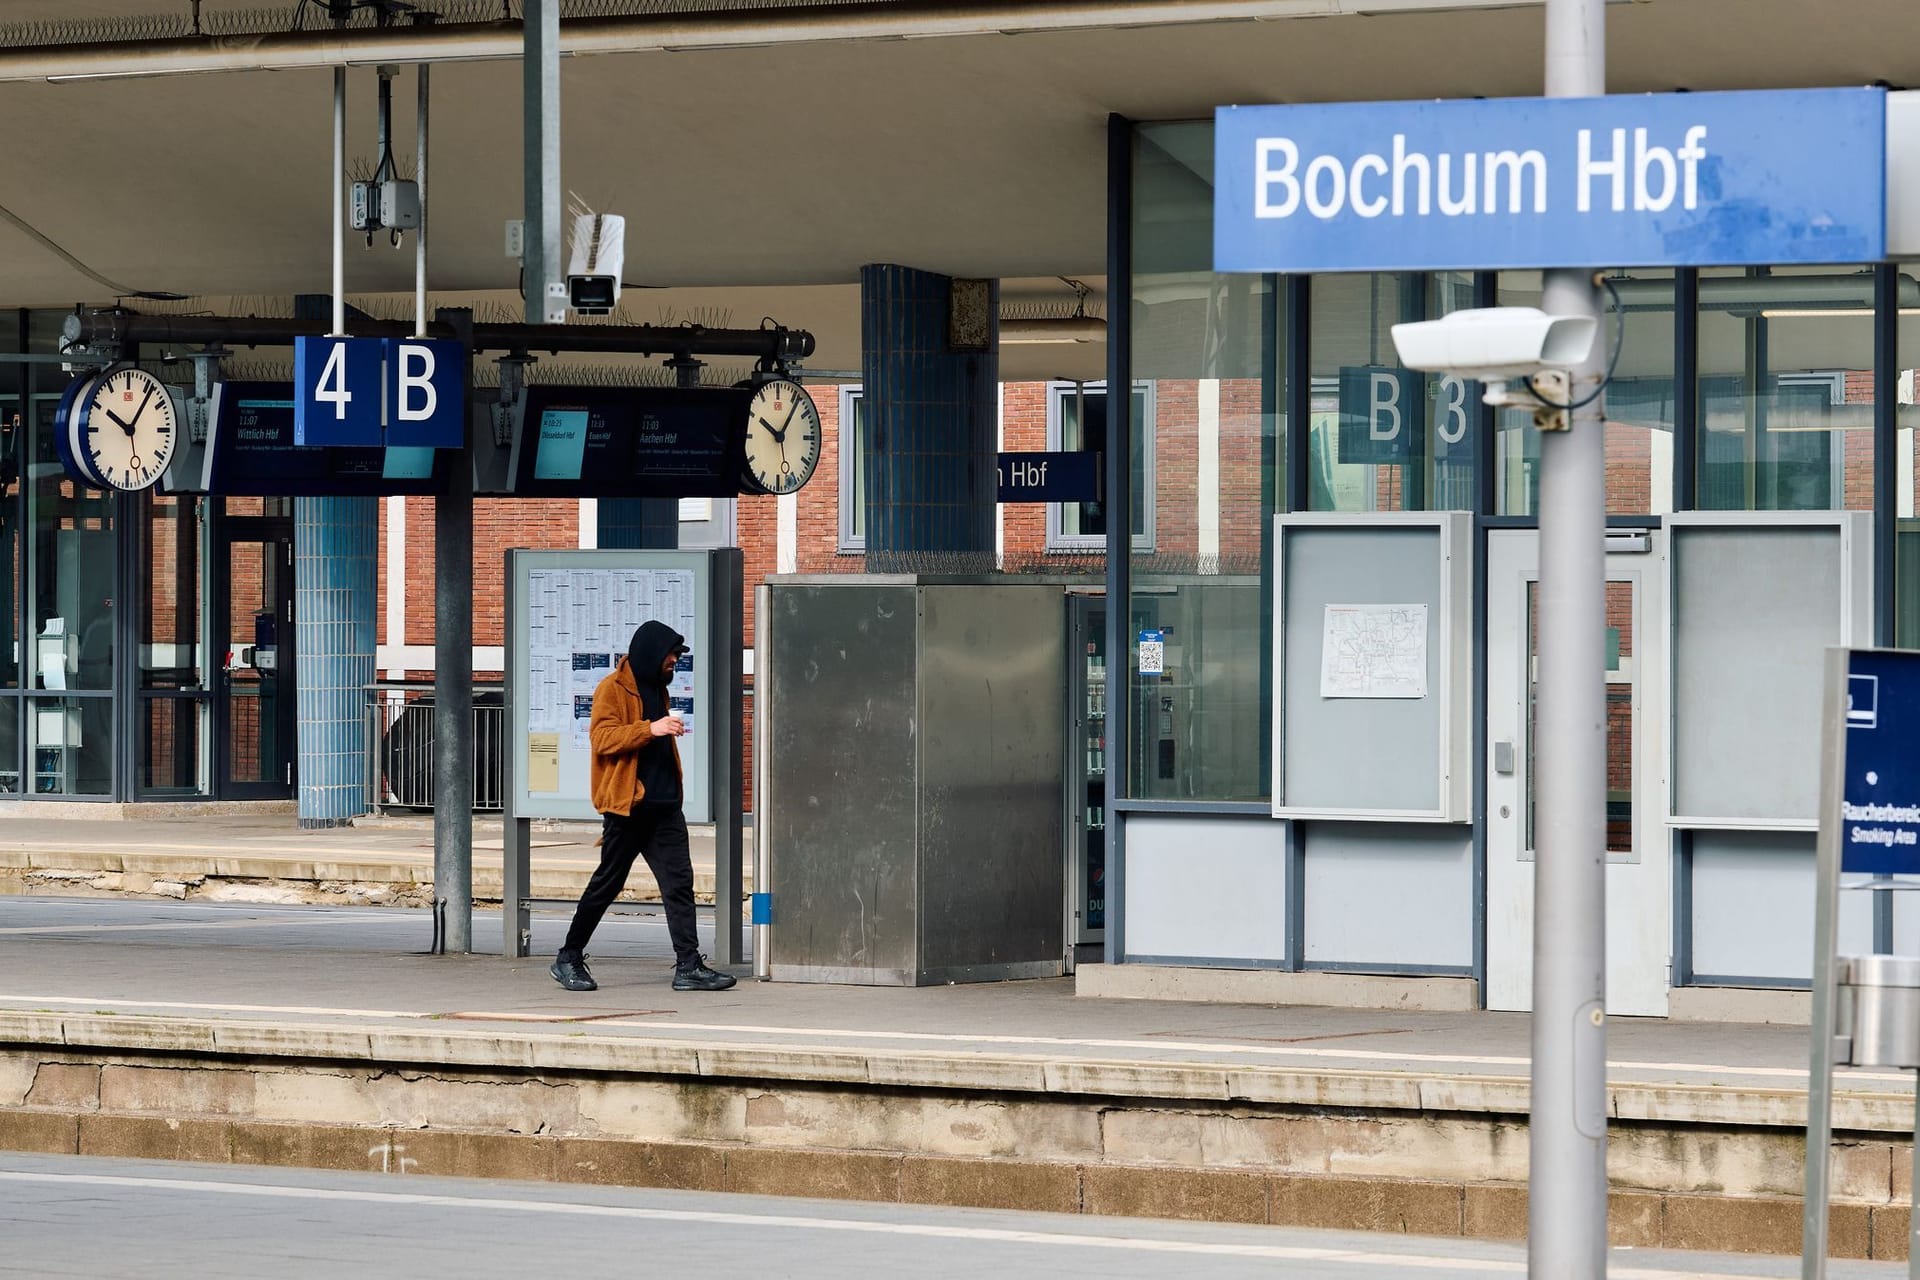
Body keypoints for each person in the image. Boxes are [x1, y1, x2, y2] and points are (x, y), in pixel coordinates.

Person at [550, 619, 736, 993]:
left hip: (665, 807)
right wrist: (650, 729)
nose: (674, 661)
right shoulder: (612, 689)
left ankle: (688, 965)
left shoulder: (657, 687)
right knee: (607, 883)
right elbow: (602, 738)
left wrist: (662, 731)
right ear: (651, 652)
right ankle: (568, 956)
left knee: (679, 885)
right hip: (628, 807)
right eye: (670, 654)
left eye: (677, 656)